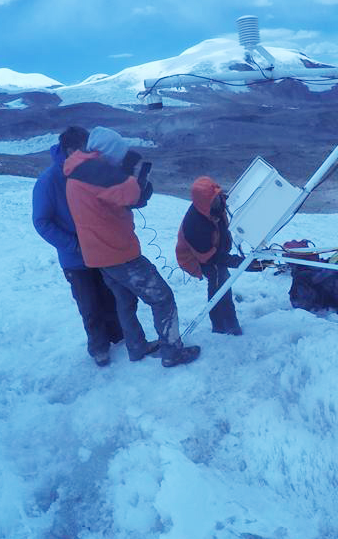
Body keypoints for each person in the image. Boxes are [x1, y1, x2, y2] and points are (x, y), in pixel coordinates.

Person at [64, 126, 200, 368]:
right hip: (119, 253)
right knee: (162, 298)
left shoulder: (78, 169)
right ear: (108, 152)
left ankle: (136, 348)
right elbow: (133, 193)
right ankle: (172, 352)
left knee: (125, 301)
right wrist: (128, 169)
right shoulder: (95, 170)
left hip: (98, 255)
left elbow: (114, 200)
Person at [32, 126, 132, 367]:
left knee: (110, 295)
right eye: (84, 149)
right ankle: (99, 348)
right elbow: (41, 221)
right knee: (89, 304)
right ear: (70, 150)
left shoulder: (90, 170)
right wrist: (74, 244)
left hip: (102, 249)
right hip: (75, 257)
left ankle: (118, 337)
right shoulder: (48, 181)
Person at [175, 176, 242, 335]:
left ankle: (223, 324)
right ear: (204, 202)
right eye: (214, 199)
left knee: (222, 280)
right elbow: (210, 257)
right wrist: (236, 262)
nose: (219, 200)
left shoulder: (214, 207)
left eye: (218, 195)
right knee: (220, 285)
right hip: (198, 258)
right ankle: (224, 326)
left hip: (215, 252)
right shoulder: (195, 225)